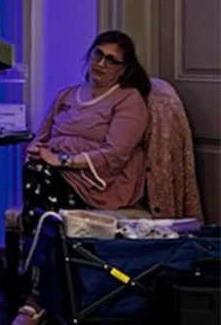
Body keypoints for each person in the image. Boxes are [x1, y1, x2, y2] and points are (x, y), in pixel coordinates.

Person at [13, 30, 151, 325]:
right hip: (54, 176)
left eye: (111, 60)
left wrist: (62, 159)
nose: (101, 63)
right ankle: (41, 293)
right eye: (97, 54)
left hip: (101, 184)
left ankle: (35, 296)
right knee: (39, 183)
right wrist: (37, 148)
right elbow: (44, 134)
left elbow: (115, 155)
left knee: (41, 196)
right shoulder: (67, 94)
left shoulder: (129, 100)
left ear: (123, 69)